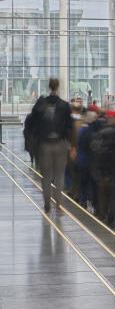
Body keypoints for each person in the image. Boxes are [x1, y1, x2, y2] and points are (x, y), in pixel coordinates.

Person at [23, 78, 74, 213]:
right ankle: (58, 204)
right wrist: (72, 145)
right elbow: (70, 126)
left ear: (49, 87)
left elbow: (31, 122)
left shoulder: (41, 104)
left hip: (44, 144)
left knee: (46, 177)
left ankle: (47, 204)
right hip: (60, 144)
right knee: (59, 176)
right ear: (58, 87)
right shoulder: (64, 105)